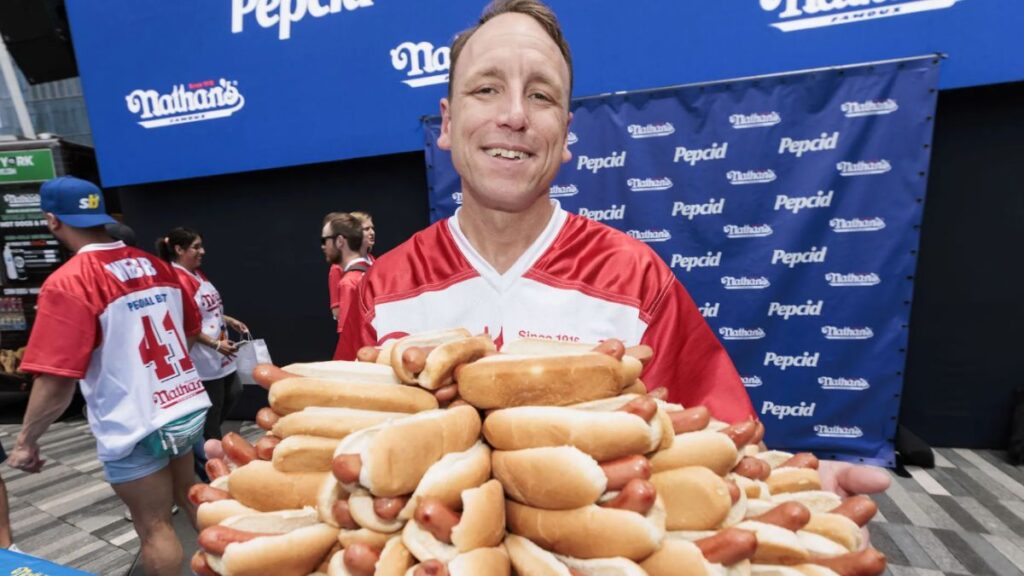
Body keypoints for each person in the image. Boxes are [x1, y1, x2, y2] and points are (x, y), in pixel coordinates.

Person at [338, 0, 890, 496]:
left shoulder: (635, 278)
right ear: (449, 121)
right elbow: (337, 445)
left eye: (541, 95)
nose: (514, 115)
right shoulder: (383, 287)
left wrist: (786, 485)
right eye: (486, 89)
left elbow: (717, 439)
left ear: (566, 134)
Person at [6, 176, 211, 576]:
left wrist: (26, 441)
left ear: (52, 220)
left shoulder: (69, 282)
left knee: (154, 527)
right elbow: (188, 330)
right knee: (191, 498)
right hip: (181, 405)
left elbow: (55, 382)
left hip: (135, 421)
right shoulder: (158, 266)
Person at [156, 228, 248, 445]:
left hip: (220, 354)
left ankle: (207, 441)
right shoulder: (178, 280)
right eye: (196, 247)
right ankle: (211, 461)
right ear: (179, 249)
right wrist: (215, 345)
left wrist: (229, 319)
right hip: (203, 359)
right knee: (212, 413)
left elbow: (205, 310)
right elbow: (185, 323)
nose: (202, 251)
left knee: (235, 391)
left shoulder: (196, 273)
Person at [321, 214, 369, 360]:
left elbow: (349, 343)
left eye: (325, 240)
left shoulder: (348, 283)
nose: (323, 246)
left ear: (340, 241)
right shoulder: (375, 270)